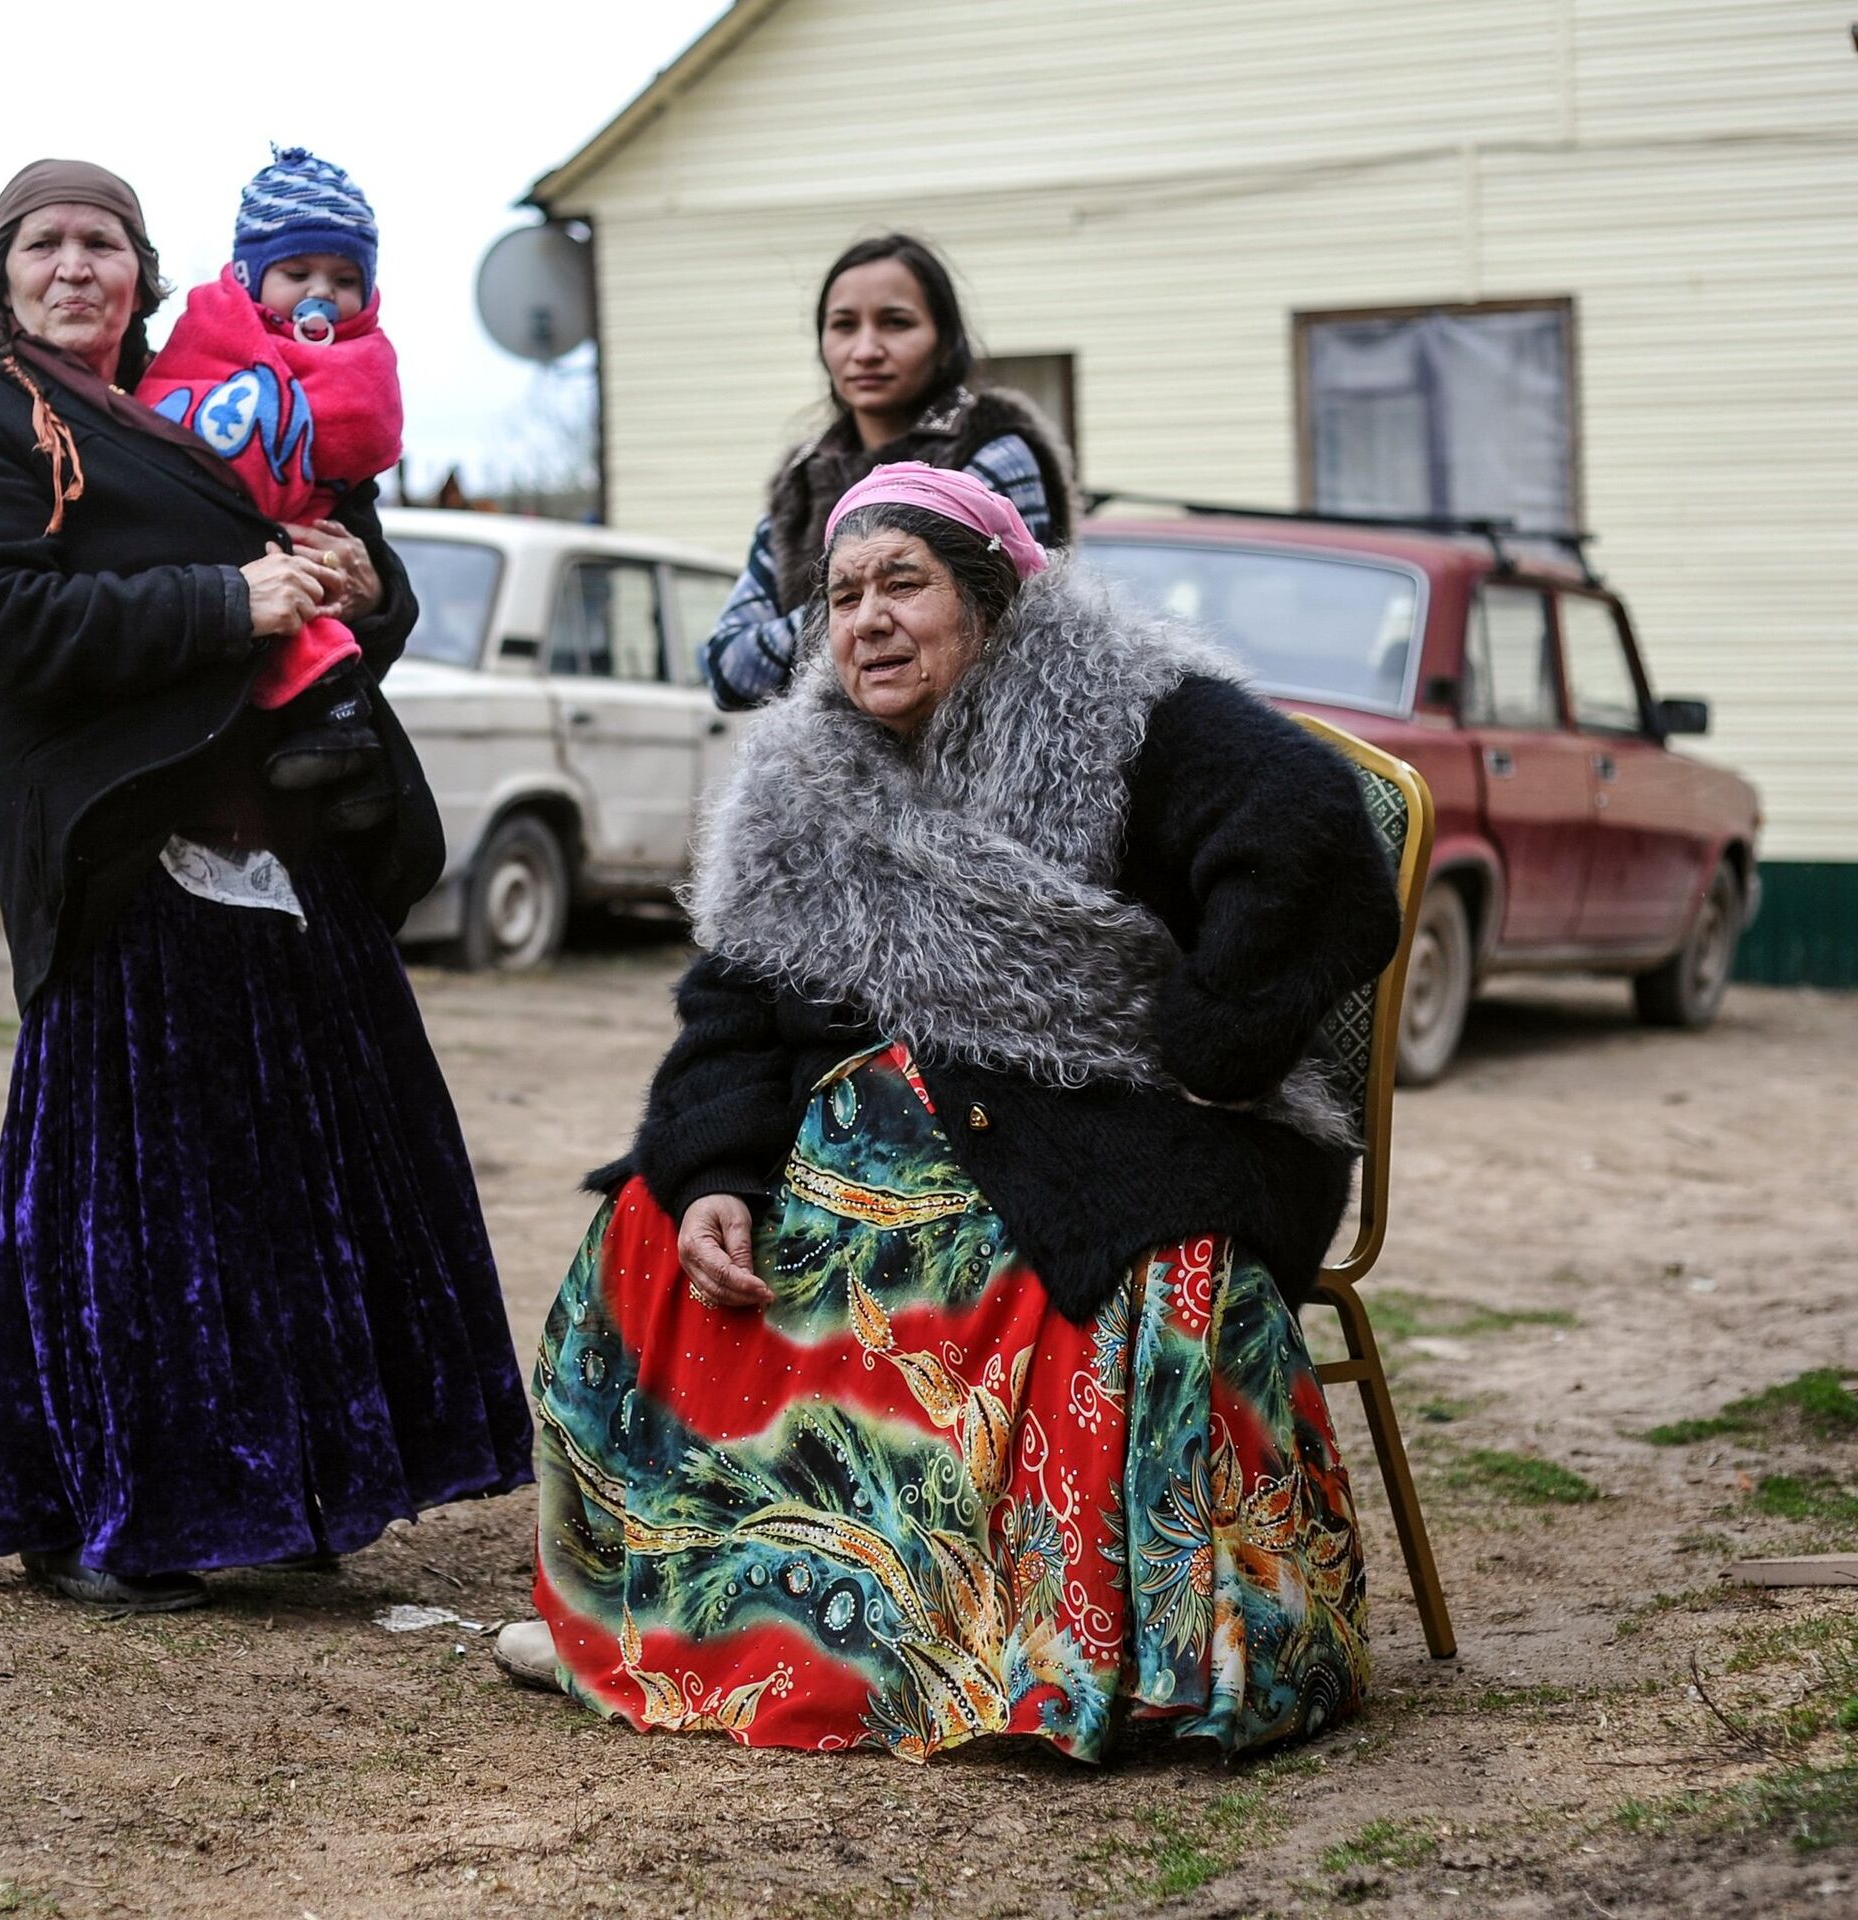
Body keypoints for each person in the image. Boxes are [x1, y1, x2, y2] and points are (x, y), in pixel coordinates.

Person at [497, 463, 1402, 1763]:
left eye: (902, 584)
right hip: (897, 1124)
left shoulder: (1122, 709)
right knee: (653, 1226)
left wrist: (1218, 1035)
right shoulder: (805, 776)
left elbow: (1313, 836)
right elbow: (732, 1011)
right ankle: (666, 1615)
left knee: (1115, 1269)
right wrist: (710, 1173)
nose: (864, 617)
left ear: (991, 599)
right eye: (841, 592)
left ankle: (1048, 1644)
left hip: (1132, 1111)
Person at [0, 160, 534, 1613]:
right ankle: (115, 1516)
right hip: (130, 855)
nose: (75, 267)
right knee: (135, 1220)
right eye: (45, 245)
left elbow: (348, 574)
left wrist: (358, 580)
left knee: (309, 1187)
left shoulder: (214, 398)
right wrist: (229, 599)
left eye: (104, 245)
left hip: (289, 848)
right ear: (0, 273)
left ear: (146, 272)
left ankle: (296, 1486)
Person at [699, 233, 1074, 710]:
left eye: (896, 323)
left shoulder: (993, 452)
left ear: (945, 341)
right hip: (827, 773)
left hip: (970, 759)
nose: (866, 349)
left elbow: (1008, 635)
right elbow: (729, 669)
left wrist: (832, 617)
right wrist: (864, 613)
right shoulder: (804, 479)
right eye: (844, 325)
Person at [136, 146, 400, 817]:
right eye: (297, 271)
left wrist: (375, 596)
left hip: (309, 567)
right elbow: (170, 402)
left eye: (344, 279)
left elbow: (373, 551)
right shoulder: (205, 342)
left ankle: (346, 750)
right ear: (251, 277)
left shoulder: (358, 361)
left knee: (316, 622)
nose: (321, 293)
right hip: (208, 618)